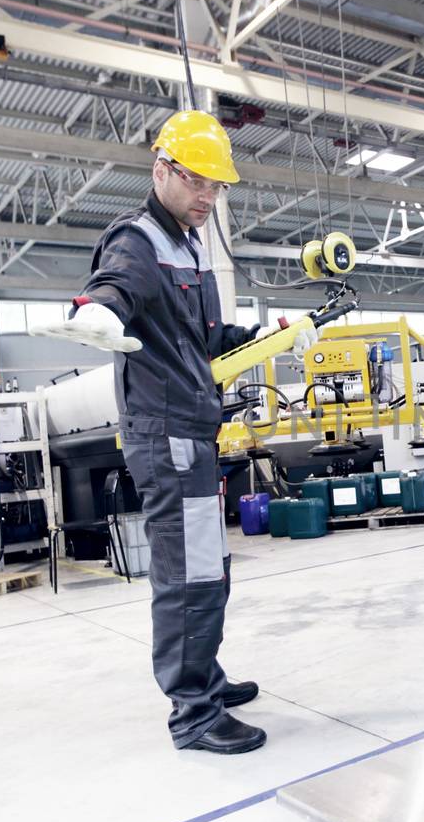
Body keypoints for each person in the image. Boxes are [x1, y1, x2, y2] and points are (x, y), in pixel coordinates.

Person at [42, 110, 317, 752]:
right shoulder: (137, 240)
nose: (207, 198)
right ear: (162, 169)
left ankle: (206, 680)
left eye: (217, 187)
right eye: (197, 182)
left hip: (194, 430)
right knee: (189, 574)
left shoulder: (190, 247)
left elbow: (206, 340)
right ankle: (193, 712)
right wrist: (98, 314)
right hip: (165, 434)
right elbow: (111, 290)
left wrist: (260, 337)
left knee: (210, 567)